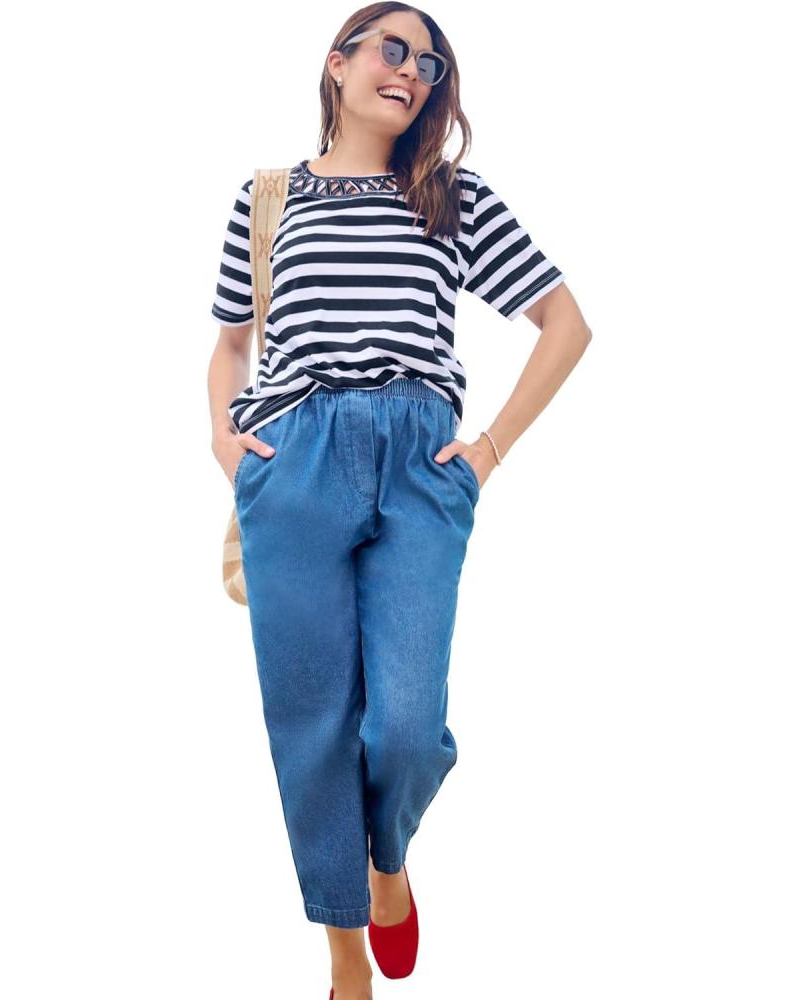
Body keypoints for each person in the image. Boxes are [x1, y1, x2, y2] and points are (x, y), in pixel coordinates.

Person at [206, 5, 592, 998]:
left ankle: (387, 861)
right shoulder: (268, 197)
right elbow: (231, 344)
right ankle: (344, 950)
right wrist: (223, 439)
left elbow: (566, 323)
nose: (412, 70)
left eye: (429, 63)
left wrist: (486, 451)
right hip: (293, 458)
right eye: (392, 48)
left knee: (406, 727)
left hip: (421, 461)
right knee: (311, 720)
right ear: (337, 64)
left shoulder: (450, 196)